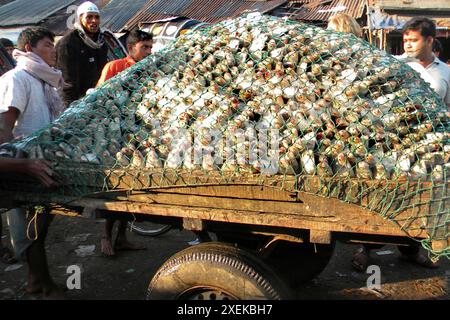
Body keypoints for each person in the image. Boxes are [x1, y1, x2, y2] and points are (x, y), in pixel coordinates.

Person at [0, 27, 66, 298]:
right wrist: (19, 165)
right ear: (29, 49)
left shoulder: (43, 80)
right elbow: (5, 128)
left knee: (40, 224)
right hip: (23, 165)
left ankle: (34, 281)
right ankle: (46, 285)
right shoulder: (17, 78)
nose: (53, 50)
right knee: (33, 227)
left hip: (40, 161)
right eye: (48, 45)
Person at [96, 29, 153, 256]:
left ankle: (122, 237)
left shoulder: (150, 69)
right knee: (116, 186)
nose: (149, 52)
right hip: (116, 134)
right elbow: (98, 96)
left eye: (150, 47)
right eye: (144, 47)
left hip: (140, 133)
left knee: (133, 186)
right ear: (131, 48)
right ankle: (105, 237)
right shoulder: (115, 67)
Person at [56, 1, 108, 106]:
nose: (94, 21)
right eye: (89, 17)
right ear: (80, 19)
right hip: (75, 101)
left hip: (97, 98)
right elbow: (67, 82)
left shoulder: (101, 42)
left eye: (97, 17)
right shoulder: (68, 43)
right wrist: (71, 107)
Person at [400, 17, 450, 108]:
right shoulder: (396, 66)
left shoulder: (446, 71)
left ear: (429, 40)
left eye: (413, 40)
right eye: (405, 41)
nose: (408, 45)